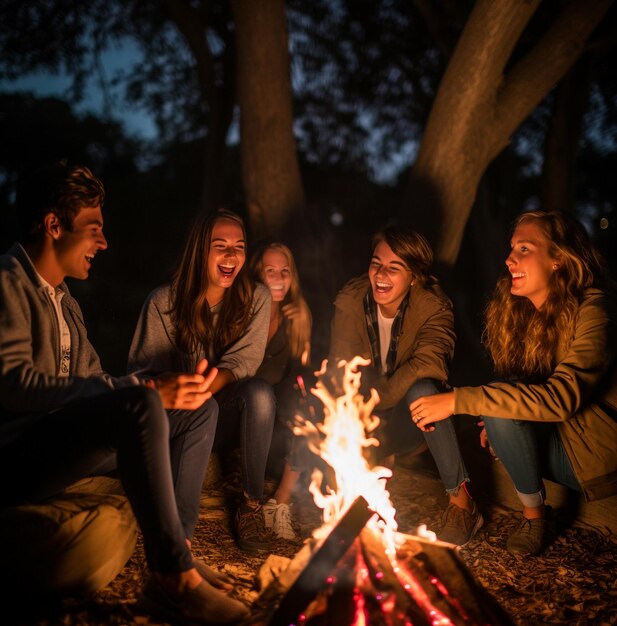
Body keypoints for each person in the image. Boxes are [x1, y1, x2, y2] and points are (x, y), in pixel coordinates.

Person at [0, 161, 248, 624]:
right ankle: (174, 582)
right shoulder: (8, 282)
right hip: (19, 455)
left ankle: (181, 551)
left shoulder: (65, 301)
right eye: (94, 229)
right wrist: (142, 388)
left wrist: (160, 391)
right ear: (55, 225)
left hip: (61, 444)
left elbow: (97, 382)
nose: (104, 242)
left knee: (199, 408)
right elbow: (14, 386)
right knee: (140, 401)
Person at [410, 210, 617, 555]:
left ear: (558, 259)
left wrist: (461, 401)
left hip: (596, 458)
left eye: (524, 249)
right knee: (462, 399)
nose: (509, 259)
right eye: (511, 249)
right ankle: (463, 506)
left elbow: (561, 398)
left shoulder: (596, 311)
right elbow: (525, 386)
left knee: (493, 405)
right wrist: (497, 421)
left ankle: (535, 516)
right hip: (562, 436)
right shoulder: (530, 313)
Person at [128, 209, 276, 553]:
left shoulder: (256, 298)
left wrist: (205, 386)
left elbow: (244, 362)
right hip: (179, 417)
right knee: (199, 406)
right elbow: (141, 373)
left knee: (261, 395)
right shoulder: (163, 302)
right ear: (199, 251)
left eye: (239, 246)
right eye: (219, 245)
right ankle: (177, 531)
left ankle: (251, 504)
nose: (231, 254)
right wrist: (182, 388)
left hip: (222, 412)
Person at [327, 225, 483, 545]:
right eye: (376, 263)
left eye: (394, 267)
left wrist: (377, 401)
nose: (381, 274)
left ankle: (462, 504)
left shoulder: (433, 306)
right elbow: (340, 365)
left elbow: (430, 364)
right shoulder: (352, 300)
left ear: (414, 275)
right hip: (364, 418)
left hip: (409, 421)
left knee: (423, 390)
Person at [249, 242, 313, 541]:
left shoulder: (296, 313)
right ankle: (251, 505)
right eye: (270, 270)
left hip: (278, 422)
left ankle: (281, 502)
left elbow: (302, 373)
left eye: (284, 271)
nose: (278, 277)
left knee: (309, 398)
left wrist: (302, 325)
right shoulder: (243, 310)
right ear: (256, 274)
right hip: (245, 410)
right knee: (260, 393)